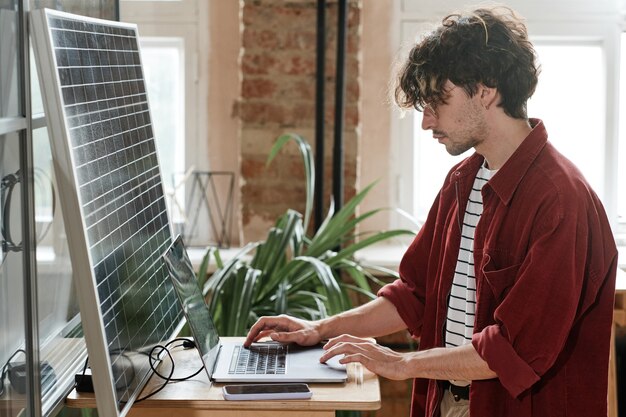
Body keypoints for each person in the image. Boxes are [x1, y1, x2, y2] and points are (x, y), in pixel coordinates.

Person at [244, 6, 618, 417]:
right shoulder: (463, 180)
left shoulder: (561, 200)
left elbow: (512, 350)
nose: (426, 122)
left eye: (438, 101)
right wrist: (320, 330)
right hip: (449, 402)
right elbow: (414, 296)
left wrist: (400, 363)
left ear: (486, 90)